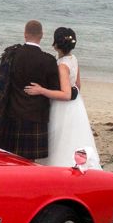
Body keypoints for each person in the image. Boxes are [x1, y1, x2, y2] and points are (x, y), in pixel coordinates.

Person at [24, 27, 101, 169]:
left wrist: (41, 90)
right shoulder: (74, 59)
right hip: (76, 106)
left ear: (56, 45)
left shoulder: (62, 65)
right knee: (75, 136)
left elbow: (66, 94)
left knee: (60, 138)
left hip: (62, 107)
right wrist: (74, 92)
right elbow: (77, 85)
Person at [0, 20, 61, 161]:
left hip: (12, 114)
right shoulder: (49, 60)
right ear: (42, 35)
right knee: (29, 163)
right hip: (36, 117)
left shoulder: (11, 55)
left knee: (8, 158)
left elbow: (2, 85)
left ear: (25, 34)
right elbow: (55, 90)